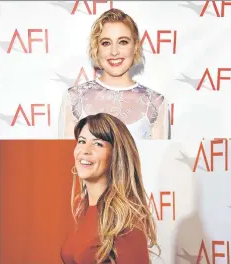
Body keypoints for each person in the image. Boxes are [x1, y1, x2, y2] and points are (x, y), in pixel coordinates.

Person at [60, 113, 160, 264]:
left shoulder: (124, 221)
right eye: (81, 141)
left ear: (116, 155)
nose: (85, 150)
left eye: (98, 144)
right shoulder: (83, 209)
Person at [58, 8, 170, 140]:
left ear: (135, 47)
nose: (114, 51)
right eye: (106, 43)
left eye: (123, 42)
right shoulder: (74, 99)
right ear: (96, 49)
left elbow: (158, 159)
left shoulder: (155, 102)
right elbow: (66, 158)